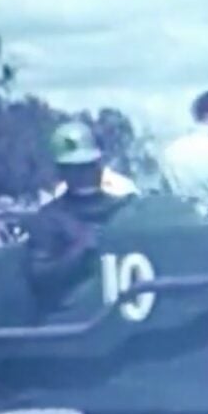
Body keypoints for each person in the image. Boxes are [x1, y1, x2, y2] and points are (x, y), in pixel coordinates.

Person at [25, 121, 132, 307]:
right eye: (74, 168)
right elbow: (40, 279)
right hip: (78, 320)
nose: (85, 173)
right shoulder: (49, 219)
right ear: (61, 171)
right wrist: (79, 250)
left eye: (89, 165)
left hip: (132, 309)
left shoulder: (125, 207)